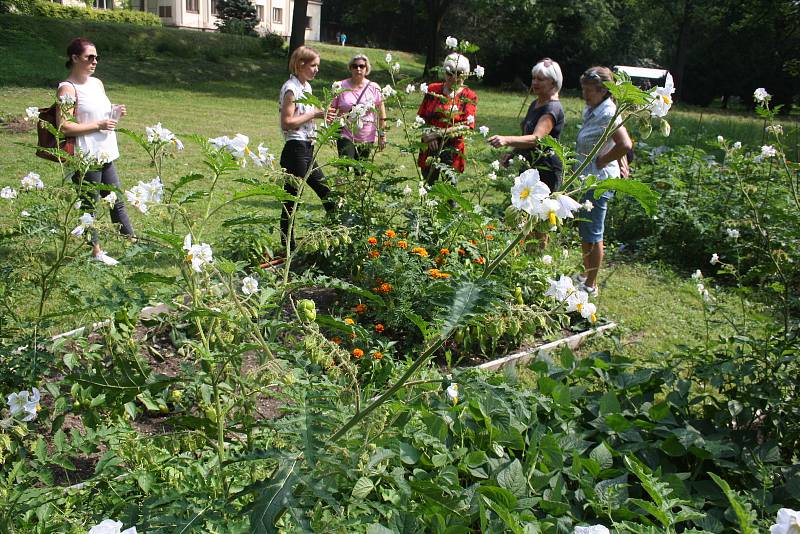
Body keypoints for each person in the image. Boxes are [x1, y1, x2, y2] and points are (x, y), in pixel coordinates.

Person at [56, 37, 134, 266]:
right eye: (90, 57)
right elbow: (64, 125)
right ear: (74, 58)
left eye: (97, 57)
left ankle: (133, 244)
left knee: (115, 200)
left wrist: (115, 112)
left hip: (105, 151)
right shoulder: (67, 88)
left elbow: (100, 112)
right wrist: (98, 125)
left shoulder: (97, 83)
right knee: (90, 204)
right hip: (85, 155)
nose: (95, 61)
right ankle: (96, 252)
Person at [573, 66, 633, 295]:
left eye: (589, 91)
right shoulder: (595, 109)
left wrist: (603, 160)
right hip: (587, 178)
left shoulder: (609, 112)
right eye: (584, 89)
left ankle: (591, 284)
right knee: (585, 230)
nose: (585, 95)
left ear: (603, 91)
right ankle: (586, 273)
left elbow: (625, 144)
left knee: (594, 232)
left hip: (599, 181)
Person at [279, 45, 334, 250]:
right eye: (313, 65)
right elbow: (287, 122)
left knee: (328, 195)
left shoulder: (306, 88)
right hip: (295, 149)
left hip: (308, 147)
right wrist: (314, 114)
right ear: (300, 64)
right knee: (291, 201)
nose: (316, 69)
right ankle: (287, 247)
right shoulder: (291, 89)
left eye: (317, 65)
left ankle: (331, 238)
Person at [487, 57, 565, 192]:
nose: (535, 82)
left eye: (540, 79)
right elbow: (527, 135)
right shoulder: (536, 103)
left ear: (553, 82)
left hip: (546, 169)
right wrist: (513, 153)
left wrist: (506, 140)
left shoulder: (552, 108)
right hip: (530, 166)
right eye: (534, 78)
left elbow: (536, 139)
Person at [416, 53, 478, 185]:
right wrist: (428, 135)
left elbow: (467, 126)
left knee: (449, 194)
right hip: (429, 147)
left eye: (459, 73)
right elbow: (421, 117)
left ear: (465, 75)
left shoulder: (469, 96)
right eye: (449, 73)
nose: (454, 77)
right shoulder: (433, 90)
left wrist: (437, 134)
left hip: (451, 151)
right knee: (427, 188)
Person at [327, 53, 387, 172]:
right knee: (344, 167)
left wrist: (382, 135)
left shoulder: (374, 88)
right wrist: (330, 132)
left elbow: (382, 114)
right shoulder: (340, 86)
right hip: (345, 133)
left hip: (367, 136)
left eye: (361, 66)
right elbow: (331, 110)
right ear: (350, 68)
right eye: (355, 66)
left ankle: (358, 190)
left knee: (361, 171)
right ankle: (340, 191)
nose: (358, 69)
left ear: (366, 68)